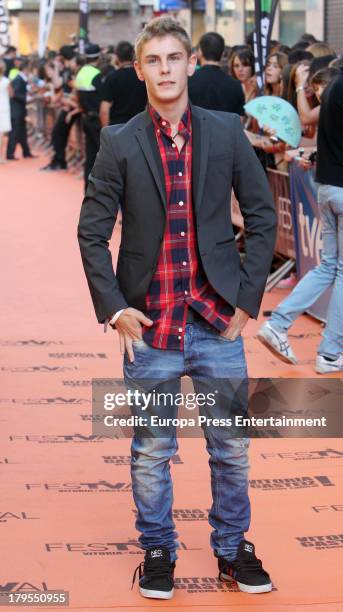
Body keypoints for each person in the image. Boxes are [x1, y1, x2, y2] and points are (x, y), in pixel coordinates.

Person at [78, 16, 277, 600]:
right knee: (151, 452)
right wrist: (115, 309)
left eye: (173, 58)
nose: (165, 69)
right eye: (153, 60)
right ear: (138, 70)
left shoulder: (225, 131)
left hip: (218, 322)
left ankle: (232, 548)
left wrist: (247, 299)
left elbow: (262, 216)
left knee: (231, 449)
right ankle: (158, 549)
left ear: (190, 63)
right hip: (151, 325)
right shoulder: (119, 143)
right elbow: (91, 234)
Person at [257, 66, 343, 374]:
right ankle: (331, 352)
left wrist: (316, 158)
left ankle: (279, 323)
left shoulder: (333, 89)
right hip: (339, 189)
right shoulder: (334, 88)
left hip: (327, 187)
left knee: (329, 266)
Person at [40, 45, 79, 171]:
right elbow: (57, 83)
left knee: (58, 133)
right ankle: (59, 161)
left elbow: (76, 88)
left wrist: (70, 102)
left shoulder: (74, 68)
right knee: (58, 133)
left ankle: (59, 161)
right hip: (67, 105)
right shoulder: (66, 69)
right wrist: (56, 67)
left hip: (72, 107)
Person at [188, 32, 245, 115]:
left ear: (200, 52)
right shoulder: (235, 85)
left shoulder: (188, 81)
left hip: (195, 127)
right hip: (226, 127)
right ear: (222, 53)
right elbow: (239, 120)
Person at [75, 43, 104, 190]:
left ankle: (88, 187)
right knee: (103, 155)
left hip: (85, 117)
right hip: (96, 120)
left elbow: (78, 96)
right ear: (98, 57)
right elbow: (102, 98)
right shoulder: (96, 75)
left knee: (90, 155)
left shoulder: (80, 72)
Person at [99, 40, 147, 127]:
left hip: (117, 127)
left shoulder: (112, 78)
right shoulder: (143, 76)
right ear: (133, 55)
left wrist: (106, 132)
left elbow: (104, 110)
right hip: (140, 125)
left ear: (117, 57)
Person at [6, 58, 35, 160]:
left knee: (22, 132)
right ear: (26, 69)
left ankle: (26, 152)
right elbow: (15, 94)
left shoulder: (20, 79)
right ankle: (10, 154)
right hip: (16, 110)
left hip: (19, 110)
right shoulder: (19, 79)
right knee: (14, 133)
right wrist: (27, 98)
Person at [0, 59, 12, 163]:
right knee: (2, 133)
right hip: (3, 107)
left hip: (3, 108)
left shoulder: (6, 81)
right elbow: (11, 94)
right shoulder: (6, 81)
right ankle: (0, 156)